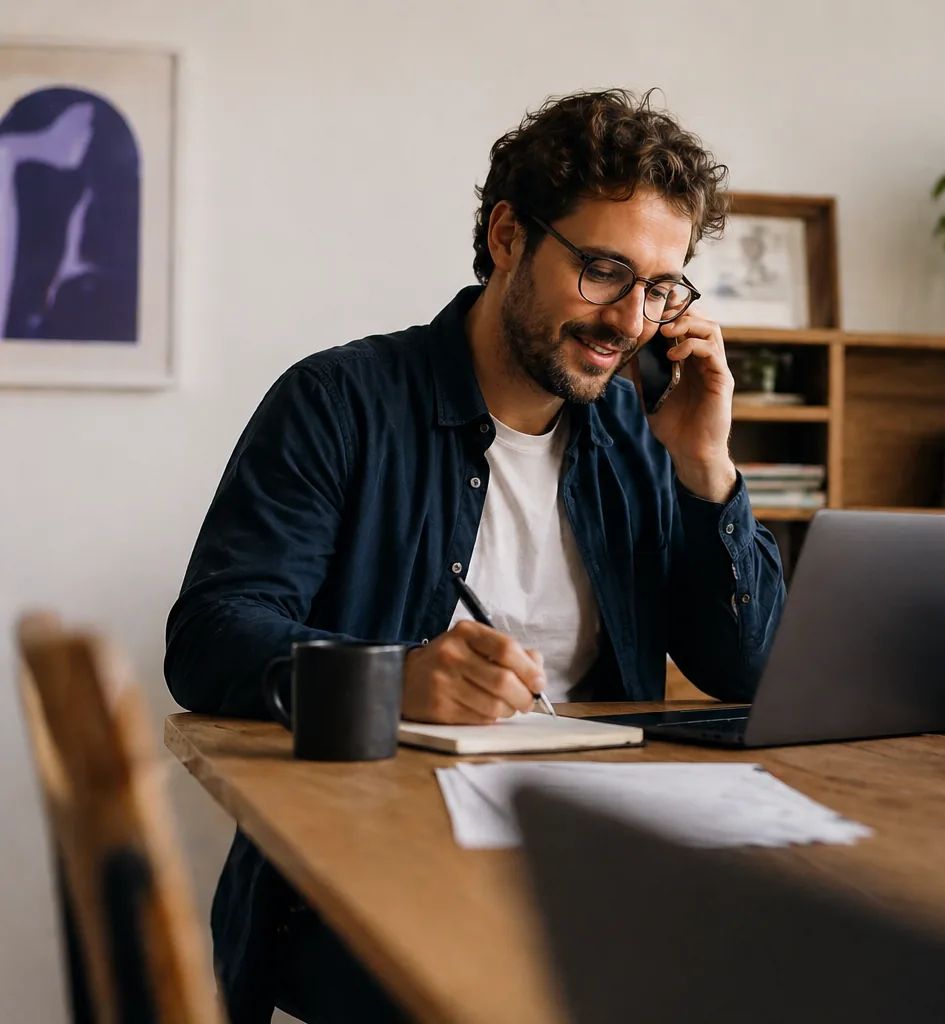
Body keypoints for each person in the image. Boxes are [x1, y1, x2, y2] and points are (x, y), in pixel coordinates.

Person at [165, 88, 786, 1024]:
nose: (631, 321)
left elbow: (748, 668)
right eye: (606, 271)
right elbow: (212, 637)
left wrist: (705, 465)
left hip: (595, 865)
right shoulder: (339, 402)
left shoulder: (637, 432)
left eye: (662, 288)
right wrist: (394, 680)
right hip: (366, 881)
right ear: (507, 237)